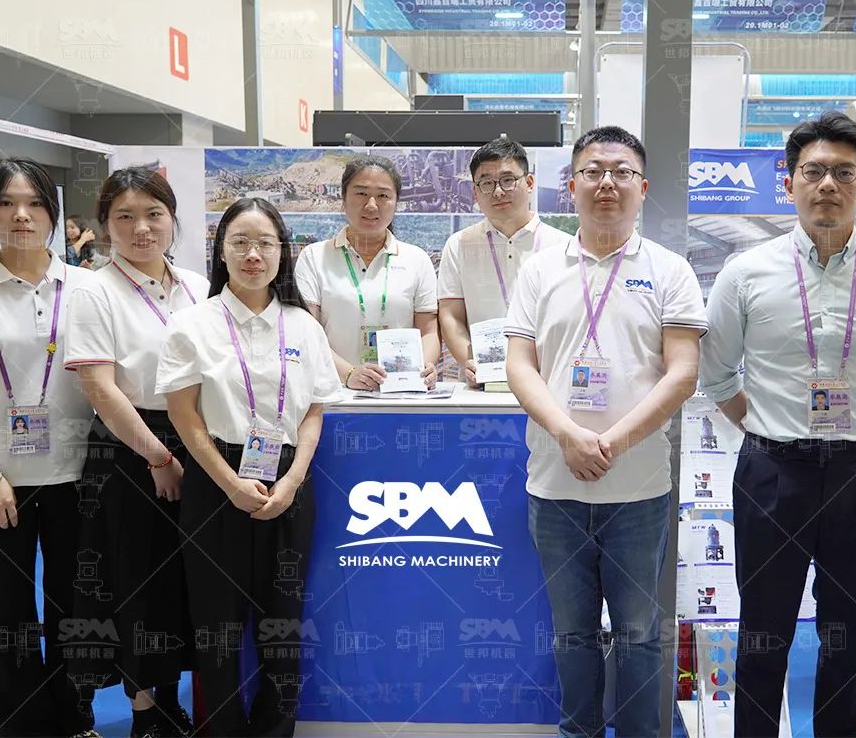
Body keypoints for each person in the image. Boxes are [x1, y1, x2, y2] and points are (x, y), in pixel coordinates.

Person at [699, 111, 856, 738]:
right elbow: (717, 374)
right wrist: (767, 428)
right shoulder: (745, 272)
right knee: (763, 631)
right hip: (771, 471)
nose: (828, 184)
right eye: (813, 172)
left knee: (849, 635)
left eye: (844, 173)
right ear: (788, 184)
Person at [505, 126, 707, 738]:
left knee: (639, 634)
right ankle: (580, 731)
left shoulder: (670, 270)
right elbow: (520, 366)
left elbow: (683, 373)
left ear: (643, 188)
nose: (607, 184)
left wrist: (611, 443)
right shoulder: (540, 270)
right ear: (570, 186)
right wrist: (567, 434)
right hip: (554, 486)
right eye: (593, 171)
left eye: (622, 172)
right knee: (572, 634)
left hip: (638, 491)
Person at [158, 197, 342, 737]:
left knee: (282, 624)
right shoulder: (192, 324)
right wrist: (230, 484)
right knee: (217, 625)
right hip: (216, 477)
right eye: (240, 242)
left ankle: (274, 731)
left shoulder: (303, 326)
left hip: (287, 478)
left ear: (283, 252)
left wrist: (293, 480)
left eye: (265, 243)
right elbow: (184, 415)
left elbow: (314, 411)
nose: (253, 254)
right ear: (221, 251)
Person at [64, 166, 207, 738]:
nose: (141, 228)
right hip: (131, 446)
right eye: (125, 216)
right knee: (137, 579)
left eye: (154, 214)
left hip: (197, 437)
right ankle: (145, 711)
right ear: (105, 225)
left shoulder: (197, 285)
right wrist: (158, 458)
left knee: (184, 578)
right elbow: (100, 388)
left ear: (172, 219)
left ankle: (172, 698)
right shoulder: (94, 290)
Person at [0, 159, 100, 738]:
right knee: (9, 610)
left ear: (53, 211)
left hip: (79, 475)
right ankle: (22, 726)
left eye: (35, 203)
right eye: (5, 203)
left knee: (75, 605)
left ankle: (74, 718)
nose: (21, 215)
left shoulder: (89, 287)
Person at [294, 156, 439, 392]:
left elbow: (429, 332)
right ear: (343, 198)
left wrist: (426, 366)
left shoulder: (417, 259)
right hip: (334, 393)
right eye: (361, 193)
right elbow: (306, 333)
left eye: (383, 195)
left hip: (401, 393)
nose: (372, 205)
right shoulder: (314, 257)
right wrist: (349, 374)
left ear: (396, 202)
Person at [438, 138, 571, 385]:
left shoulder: (565, 247)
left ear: (529, 183)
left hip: (548, 382)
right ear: (475, 192)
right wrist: (469, 361)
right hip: (482, 383)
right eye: (487, 183)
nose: (498, 191)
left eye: (508, 180)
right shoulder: (458, 245)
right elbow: (451, 316)